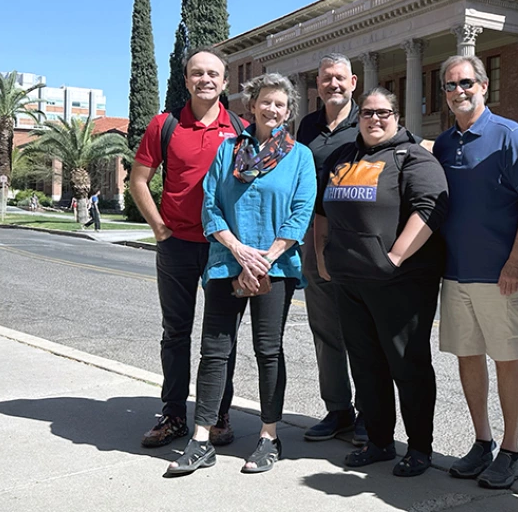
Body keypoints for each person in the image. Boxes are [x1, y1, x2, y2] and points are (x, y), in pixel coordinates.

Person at [165, 73, 316, 477]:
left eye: (280, 104)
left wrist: (266, 257)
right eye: (266, 101)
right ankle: (201, 438)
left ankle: (269, 436)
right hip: (227, 263)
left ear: (288, 111)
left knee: (269, 351)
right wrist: (238, 250)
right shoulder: (228, 151)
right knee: (215, 351)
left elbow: (301, 212)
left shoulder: (299, 156)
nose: (272, 109)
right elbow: (210, 207)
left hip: (276, 266)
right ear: (252, 105)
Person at [314, 87, 449, 478]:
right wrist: (324, 255)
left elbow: (430, 209)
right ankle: (379, 441)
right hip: (349, 280)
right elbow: (323, 209)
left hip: (401, 282)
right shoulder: (342, 157)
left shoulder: (414, 157)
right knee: (366, 365)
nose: (375, 119)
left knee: (408, 366)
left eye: (383, 113)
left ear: (397, 116)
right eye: (368, 113)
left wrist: (395, 257)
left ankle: (420, 448)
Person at [130, 48, 250, 449]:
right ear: (186, 81)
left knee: (221, 337)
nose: (205, 79)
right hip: (177, 244)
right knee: (176, 333)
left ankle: (217, 416)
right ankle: (174, 415)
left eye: (213, 73)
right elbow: (138, 180)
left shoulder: (241, 129)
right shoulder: (164, 125)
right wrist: (159, 227)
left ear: (225, 81)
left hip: (223, 248)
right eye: (197, 73)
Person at [431, 55, 518, 489]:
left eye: (467, 82)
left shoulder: (509, 135)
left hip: (502, 275)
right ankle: (483, 442)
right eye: (452, 85)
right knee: (468, 357)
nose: (460, 90)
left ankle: (511, 452)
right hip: (455, 273)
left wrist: (516, 261)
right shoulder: (442, 144)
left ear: (484, 87)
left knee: (507, 360)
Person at [294, 53, 366, 445]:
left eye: (339, 78)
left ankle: (370, 414)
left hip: (357, 239)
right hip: (314, 238)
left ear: (353, 82)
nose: (332, 84)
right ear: (318, 85)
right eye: (326, 79)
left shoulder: (367, 120)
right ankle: (338, 409)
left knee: (364, 330)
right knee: (325, 328)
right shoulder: (307, 125)